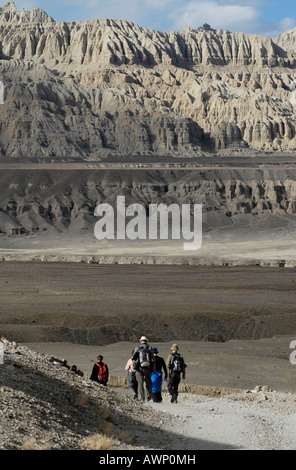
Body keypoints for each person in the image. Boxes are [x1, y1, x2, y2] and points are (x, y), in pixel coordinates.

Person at [132, 336, 155, 403]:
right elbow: (153, 359)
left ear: (140, 341)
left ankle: (142, 398)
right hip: (147, 368)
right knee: (148, 383)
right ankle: (149, 397)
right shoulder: (150, 348)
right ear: (146, 341)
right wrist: (153, 368)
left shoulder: (137, 348)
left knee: (140, 383)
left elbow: (134, 359)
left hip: (139, 368)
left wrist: (134, 367)